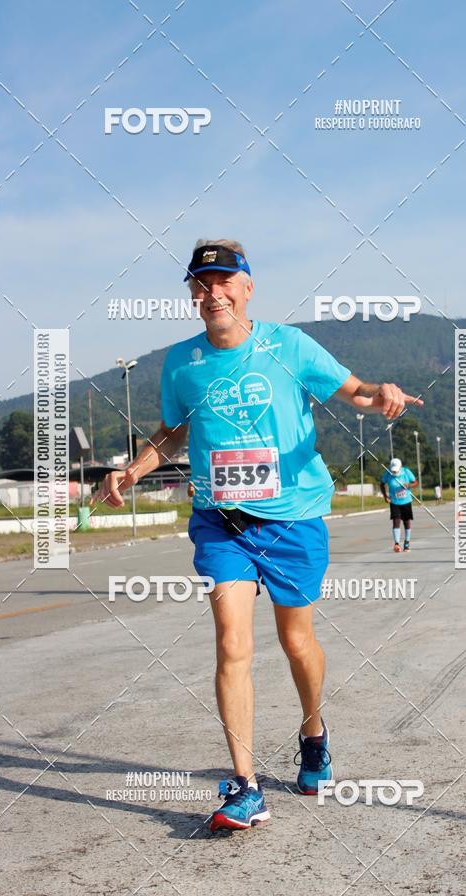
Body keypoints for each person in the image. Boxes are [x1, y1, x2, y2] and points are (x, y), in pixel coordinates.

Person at [92, 238, 423, 832]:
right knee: (231, 642)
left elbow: (355, 392)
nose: (212, 292)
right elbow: (172, 432)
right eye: (201, 284)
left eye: (224, 281)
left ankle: (314, 732)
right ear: (192, 295)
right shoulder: (181, 362)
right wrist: (132, 470)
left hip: (292, 519)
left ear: (247, 287)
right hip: (221, 523)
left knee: (297, 642)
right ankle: (245, 786)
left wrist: (384, 396)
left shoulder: (288, 346)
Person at [380, 458, 418, 552]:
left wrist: (408, 485)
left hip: (406, 501)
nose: (394, 472)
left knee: (406, 521)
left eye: (396, 470)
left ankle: (407, 542)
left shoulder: (406, 472)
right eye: (393, 470)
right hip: (394, 502)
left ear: (400, 467)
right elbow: (382, 484)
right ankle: (396, 544)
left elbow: (415, 483)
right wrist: (385, 496)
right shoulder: (388, 474)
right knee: (396, 521)